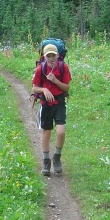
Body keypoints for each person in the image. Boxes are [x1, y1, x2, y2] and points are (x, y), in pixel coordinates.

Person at [32, 44, 72, 176]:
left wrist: (55, 81)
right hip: (46, 104)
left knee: (61, 132)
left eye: (53, 55)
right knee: (46, 133)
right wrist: (44, 89)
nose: (51, 58)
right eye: (48, 56)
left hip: (59, 102)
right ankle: (46, 161)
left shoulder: (63, 67)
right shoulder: (40, 69)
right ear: (44, 57)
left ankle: (56, 157)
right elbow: (34, 88)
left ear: (57, 56)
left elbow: (66, 88)